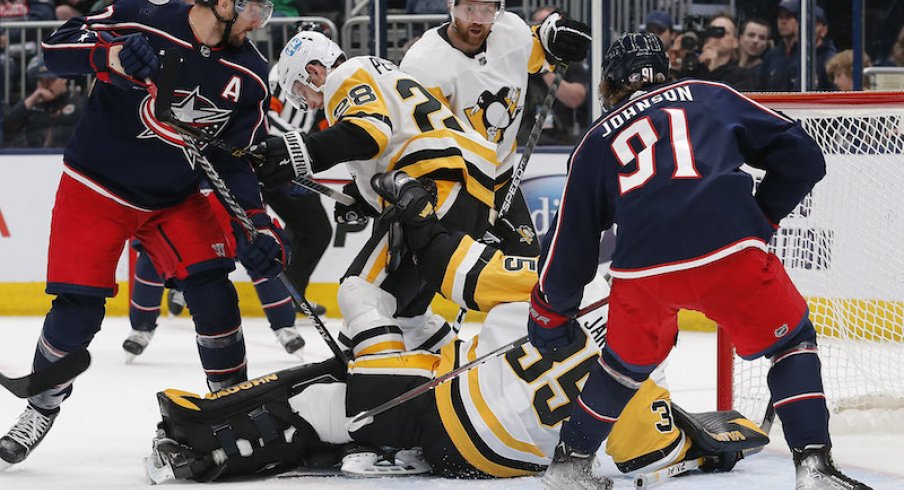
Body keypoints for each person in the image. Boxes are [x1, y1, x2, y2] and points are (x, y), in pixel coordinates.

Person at [144, 170, 769, 483]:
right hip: (494, 448)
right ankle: (384, 444)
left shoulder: (561, 270)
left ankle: (196, 445)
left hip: (449, 403)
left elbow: (454, 265)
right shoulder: (652, 335)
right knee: (367, 372)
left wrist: (411, 215)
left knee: (336, 374)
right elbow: (643, 451)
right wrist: (702, 448)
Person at [526, 31, 871, 490]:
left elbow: (571, 241)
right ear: (663, 71)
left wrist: (552, 312)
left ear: (610, 85)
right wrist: (762, 214)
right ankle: (814, 467)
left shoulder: (593, 142)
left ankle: (568, 465)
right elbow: (804, 156)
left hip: (643, 272)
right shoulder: (711, 95)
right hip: (729, 250)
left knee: (621, 367)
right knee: (791, 344)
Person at [0, 0, 286, 470]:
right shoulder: (143, 16)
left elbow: (235, 160)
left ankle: (232, 410)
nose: (262, 21)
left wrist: (256, 225)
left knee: (215, 294)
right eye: (257, 7)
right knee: (78, 310)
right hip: (95, 187)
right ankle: (40, 408)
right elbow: (54, 49)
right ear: (224, 3)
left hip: (174, 198)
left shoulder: (252, 73)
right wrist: (107, 56)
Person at [253, 30, 505, 363]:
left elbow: (370, 132)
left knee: (360, 292)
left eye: (302, 93)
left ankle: (373, 385)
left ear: (314, 71)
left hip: (434, 188)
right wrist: (364, 193)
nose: (310, 106)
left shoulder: (344, 74)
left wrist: (296, 151)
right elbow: (396, 138)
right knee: (409, 317)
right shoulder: (381, 71)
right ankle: (461, 371)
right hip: (463, 191)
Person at [400, 0, 591, 256]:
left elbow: (539, 52)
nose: (478, 19)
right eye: (469, 9)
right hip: (453, 188)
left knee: (529, 271)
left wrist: (553, 38)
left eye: (487, 10)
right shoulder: (424, 64)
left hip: (502, 183)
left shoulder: (511, 31)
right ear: (451, 6)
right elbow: (426, 145)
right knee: (433, 276)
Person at [124, 187, 307, 362]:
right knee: (151, 258)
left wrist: (286, 179)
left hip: (233, 211)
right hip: (187, 215)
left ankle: (286, 327)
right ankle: (141, 328)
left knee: (262, 259)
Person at [264, 59, 332, 318]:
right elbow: (267, 120)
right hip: (269, 159)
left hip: (290, 165)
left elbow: (324, 129)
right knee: (241, 231)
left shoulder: (326, 83)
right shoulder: (280, 75)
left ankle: (290, 295)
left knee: (311, 232)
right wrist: (297, 149)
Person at [517, 6, 590, 146]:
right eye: (534, 24)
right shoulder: (521, 60)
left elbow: (576, 98)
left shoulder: (569, 61)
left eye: (543, 23)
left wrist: (543, 68)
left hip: (562, 143)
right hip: (524, 143)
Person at [2, 56, 86, 148]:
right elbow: (6, 127)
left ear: (64, 79)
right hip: (31, 157)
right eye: (42, 81)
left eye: (51, 80)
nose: (46, 85)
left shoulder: (78, 104)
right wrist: (32, 99)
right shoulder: (30, 105)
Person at [697, 14, 757, 91]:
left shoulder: (743, 76)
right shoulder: (694, 69)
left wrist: (713, 68)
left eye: (723, 33)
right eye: (713, 32)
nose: (717, 37)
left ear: (735, 42)